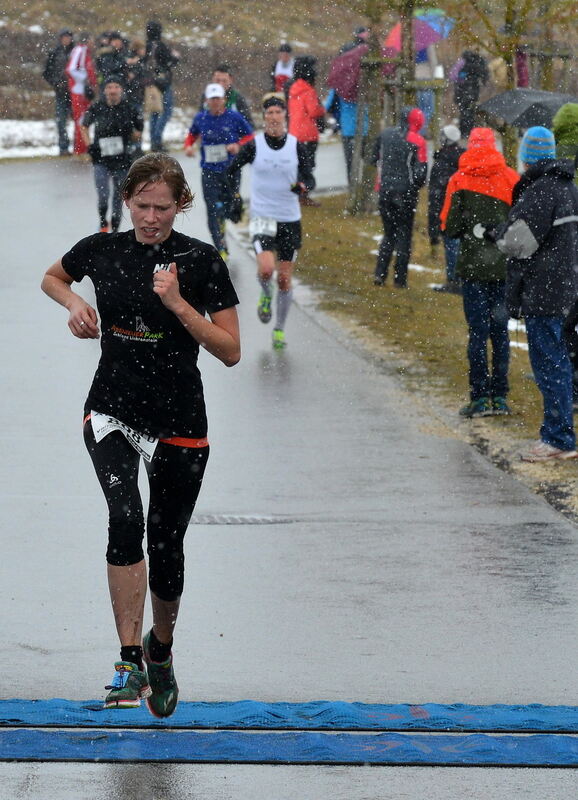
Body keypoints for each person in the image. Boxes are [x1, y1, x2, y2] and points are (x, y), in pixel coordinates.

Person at [41, 153, 241, 716]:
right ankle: (128, 659)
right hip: (112, 410)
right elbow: (52, 276)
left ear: (182, 205)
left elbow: (230, 351)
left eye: (164, 207)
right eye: (143, 205)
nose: (152, 217)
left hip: (179, 419)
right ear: (127, 201)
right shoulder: (102, 249)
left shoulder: (201, 261)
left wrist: (177, 303)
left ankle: (161, 649)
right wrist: (76, 301)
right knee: (125, 516)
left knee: (166, 542)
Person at [489, 127, 578, 460]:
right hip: (567, 285)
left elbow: (519, 243)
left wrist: (498, 235)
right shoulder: (569, 187)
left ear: (527, 157)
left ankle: (557, 438)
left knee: (549, 362)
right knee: (559, 360)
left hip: (545, 289)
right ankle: (560, 433)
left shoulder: (541, 191)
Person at [440, 127, 519, 418]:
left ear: (470, 145)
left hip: (472, 269)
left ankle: (479, 397)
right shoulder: (511, 178)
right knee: (500, 332)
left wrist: (471, 229)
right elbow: (518, 222)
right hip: (503, 268)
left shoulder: (458, 180)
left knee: (477, 333)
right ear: (494, 145)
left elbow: (450, 227)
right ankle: (500, 395)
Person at [227, 96, 315, 350]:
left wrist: (304, 187)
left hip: (289, 219)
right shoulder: (254, 145)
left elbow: (309, 177)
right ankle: (266, 295)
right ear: (264, 117)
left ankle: (279, 329)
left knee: (284, 280)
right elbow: (232, 169)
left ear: (284, 116)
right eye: (269, 113)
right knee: (266, 269)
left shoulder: (296, 146)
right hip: (262, 217)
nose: (274, 117)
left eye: (278, 112)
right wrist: (235, 197)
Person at [185, 83, 253, 259]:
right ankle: (220, 247)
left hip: (231, 170)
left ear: (224, 100)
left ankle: (229, 214)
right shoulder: (201, 118)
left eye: (218, 98)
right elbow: (191, 135)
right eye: (212, 99)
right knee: (212, 210)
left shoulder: (234, 117)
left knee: (230, 208)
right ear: (207, 100)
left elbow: (250, 136)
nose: (215, 102)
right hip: (209, 170)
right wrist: (188, 147)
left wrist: (238, 145)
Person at [372, 107, 427, 288]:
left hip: (385, 190)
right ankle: (400, 279)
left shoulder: (385, 134)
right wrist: (415, 186)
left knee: (389, 234)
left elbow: (373, 157)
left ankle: (380, 273)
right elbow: (421, 173)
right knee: (404, 235)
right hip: (406, 193)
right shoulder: (418, 141)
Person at [80, 76, 144, 233]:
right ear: (105, 90)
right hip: (101, 158)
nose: (113, 90)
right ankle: (103, 223)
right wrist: (89, 146)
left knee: (119, 196)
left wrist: (134, 140)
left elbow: (139, 129)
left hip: (122, 159)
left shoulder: (129, 108)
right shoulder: (97, 107)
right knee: (103, 194)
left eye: (116, 87)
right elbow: (83, 126)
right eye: (109, 87)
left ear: (121, 90)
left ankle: (115, 230)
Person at [428, 124, 465, 293]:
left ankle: (453, 281)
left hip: (447, 212)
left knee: (451, 247)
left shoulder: (441, 163)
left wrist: (433, 224)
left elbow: (435, 196)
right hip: (464, 210)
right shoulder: (464, 160)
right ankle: (461, 280)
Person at [287, 55, 325, 206]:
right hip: (308, 134)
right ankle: (303, 196)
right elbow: (314, 111)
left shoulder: (293, 89)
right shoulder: (308, 91)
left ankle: (296, 194)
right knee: (307, 167)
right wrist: (322, 109)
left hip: (294, 133)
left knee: (296, 167)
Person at [144, 20, 180, 152]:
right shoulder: (161, 46)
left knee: (154, 111)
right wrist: (175, 57)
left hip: (150, 83)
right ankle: (157, 140)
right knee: (166, 111)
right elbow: (169, 62)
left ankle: (154, 141)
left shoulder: (146, 46)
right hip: (163, 83)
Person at [42, 28, 74, 156]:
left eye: (68, 37)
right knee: (61, 120)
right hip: (61, 92)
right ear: (60, 38)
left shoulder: (76, 51)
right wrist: (56, 83)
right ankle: (63, 147)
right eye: (64, 37)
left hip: (75, 92)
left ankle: (80, 146)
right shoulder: (54, 53)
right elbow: (46, 73)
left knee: (79, 120)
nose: (66, 39)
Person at [66, 32, 97, 155]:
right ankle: (80, 149)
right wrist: (85, 80)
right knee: (81, 120)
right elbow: (71, 69)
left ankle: (83, 147)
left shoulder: (86, 51)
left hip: (83, 91)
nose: (93, 43)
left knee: (84, 119)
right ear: (87, 40)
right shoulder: (80, 50)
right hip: (79, 91)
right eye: (92, 40)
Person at [450, 49, 489, 137]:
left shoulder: (462, 62)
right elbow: (485, 76)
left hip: (461, 91)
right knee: (471, 111)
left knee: (463, 112)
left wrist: (461, 81)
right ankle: (470, 131)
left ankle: (463, 132)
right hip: (474, 91)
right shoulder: (479, 62)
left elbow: (453, 76)